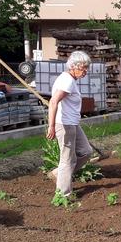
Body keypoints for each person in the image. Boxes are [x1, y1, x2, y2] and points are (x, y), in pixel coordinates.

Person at [46, 51, 95, 196]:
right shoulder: (67, 81)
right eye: (83, 68)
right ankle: (63, 195)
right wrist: (51, 126)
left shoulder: (70, 80)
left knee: (86, 151)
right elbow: (53, 102)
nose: (85, 71)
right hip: (64, 124)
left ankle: (58, 174)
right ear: (73, 66)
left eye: (86, 68)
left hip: (72, 123)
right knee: (67, 160)